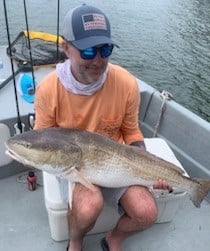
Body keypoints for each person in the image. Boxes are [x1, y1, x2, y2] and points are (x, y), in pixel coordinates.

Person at [34, 4, 172, 251]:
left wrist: (149, 166)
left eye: (105, 49)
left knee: (147, 211)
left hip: (114, 161)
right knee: (89, 204)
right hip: (72, 164)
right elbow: (42, 138)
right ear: (66, 48)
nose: (97, 60)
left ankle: (113, 238)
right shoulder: (48, 89)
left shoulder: (127, 84)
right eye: (87, 51)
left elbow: (131, 133)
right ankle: (75, 241)